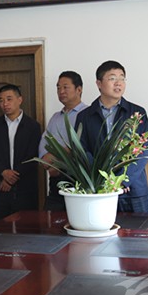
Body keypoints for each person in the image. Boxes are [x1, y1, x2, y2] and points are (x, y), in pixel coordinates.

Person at [75, 60, 148, 213]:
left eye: (122, 78)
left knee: (139, 229)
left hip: (133, 190)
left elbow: (144, 149)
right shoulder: (85, 116)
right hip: (99, 190)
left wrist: (121, 180)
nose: (118, 83)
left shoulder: (137, 113)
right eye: (112, 78)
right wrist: (102, 179)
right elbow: (81, 151)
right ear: (99, 83)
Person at [0, 84, 42, 222]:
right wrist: (3, 173)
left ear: (19, 100)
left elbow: (33, 156)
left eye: (9, 99)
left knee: (26, 227)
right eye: (1, 100)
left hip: (25, 188)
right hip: (0, 187)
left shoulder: (33, 126)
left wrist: (11, 178)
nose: (5, 104)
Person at [38, 71, 88, 211]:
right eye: (58, 88)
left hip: (78, 179)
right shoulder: (55, 117)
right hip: (55, 182)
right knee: (52, 220)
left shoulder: (88, 114)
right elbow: (43, 146)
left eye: (65, 87)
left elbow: (81, 148)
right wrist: (49, 164)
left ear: (79, 89)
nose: (61, 91)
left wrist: (57, 161)